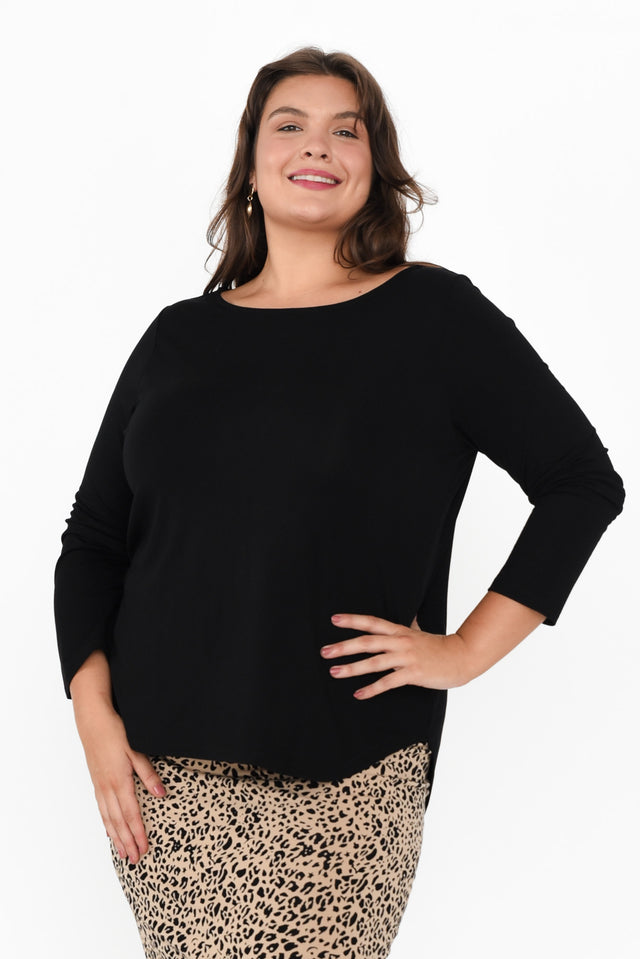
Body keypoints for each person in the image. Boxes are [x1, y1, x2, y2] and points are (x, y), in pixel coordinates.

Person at [53, 45, 625, 959]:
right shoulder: (179, 337)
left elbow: (581, 481)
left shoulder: (435, 317)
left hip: (349, 770)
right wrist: (93, 717)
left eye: (345, 130)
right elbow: (93, 540)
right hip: (163, 777)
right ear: (251, 164)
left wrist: (465, 650)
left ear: (374, 166)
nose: (316, 145)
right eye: (290, 125)